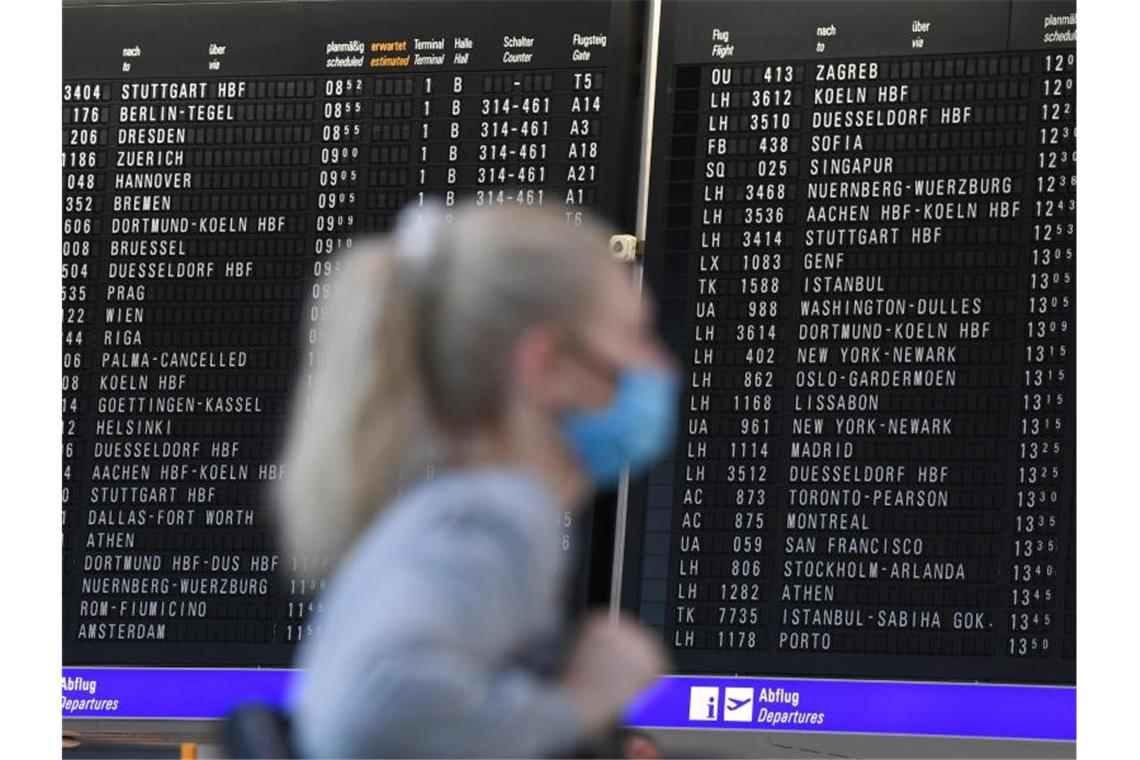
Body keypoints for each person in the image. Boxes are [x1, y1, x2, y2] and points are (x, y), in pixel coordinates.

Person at [275, 200, 680, 758]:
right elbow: (373, 710)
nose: (659, 366)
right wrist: (582, 699)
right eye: (637, 336)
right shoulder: (499, 520)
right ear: (549, 366)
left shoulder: (446, 510)